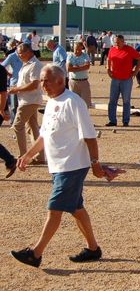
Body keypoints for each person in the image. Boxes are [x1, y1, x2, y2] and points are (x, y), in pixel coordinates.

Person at [10, 64, 107, 268]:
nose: (42, 84)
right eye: (42, 81)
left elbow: (90, 137)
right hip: (58, 167)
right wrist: (27, 155)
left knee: (54, 209)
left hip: (72, 166)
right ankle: (93, 248)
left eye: (46, 80)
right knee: (76, 208)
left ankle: (35, 254)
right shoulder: (53, 101)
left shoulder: (74, 103)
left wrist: (96, 164)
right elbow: (45, 135)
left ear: (60, 81)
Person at [9, 43, 45, 164]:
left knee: (17, 126)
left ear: (28, 52)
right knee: (33, 127)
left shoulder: (35, 65)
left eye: (20, 53)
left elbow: (34, 84)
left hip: (29, 101)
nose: (18, 56)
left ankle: (23, 156)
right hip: (27, 100)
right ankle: (40, 157)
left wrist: (16, 89)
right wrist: (17, 87)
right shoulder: (27, 64)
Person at [106, 35, 140, 127]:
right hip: (115, 79)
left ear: (123, 41)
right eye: (115, 42)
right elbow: (109, 59)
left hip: (126, 79)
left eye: (118, 42)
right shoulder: (112, 49)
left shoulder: (129, 49)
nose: (116, 44)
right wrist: (108, 69)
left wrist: (135, 71)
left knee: (126, 101)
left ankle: (125, 121)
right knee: (112, 100)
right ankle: (112, 120)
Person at [2, 40, 22, 124]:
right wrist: (8, 73)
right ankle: (13, 122)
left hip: (25, 83)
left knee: (23, 105)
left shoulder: (27, 56)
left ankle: (21, 122)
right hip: (14, 82)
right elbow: (2, 66)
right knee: (14, 105)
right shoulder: (12, 56)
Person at [67, 41, 92, 107]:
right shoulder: (70, 56)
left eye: (79, 49)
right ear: (73, 48)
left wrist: (75, 67)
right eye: (76, 49)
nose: (77, 51)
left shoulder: (85, 55)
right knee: (73, 103)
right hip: (73, 82)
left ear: (82, 48)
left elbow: (87, 66)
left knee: (85, 103)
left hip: (84, 82)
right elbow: (69, 69)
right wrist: (82, 67)